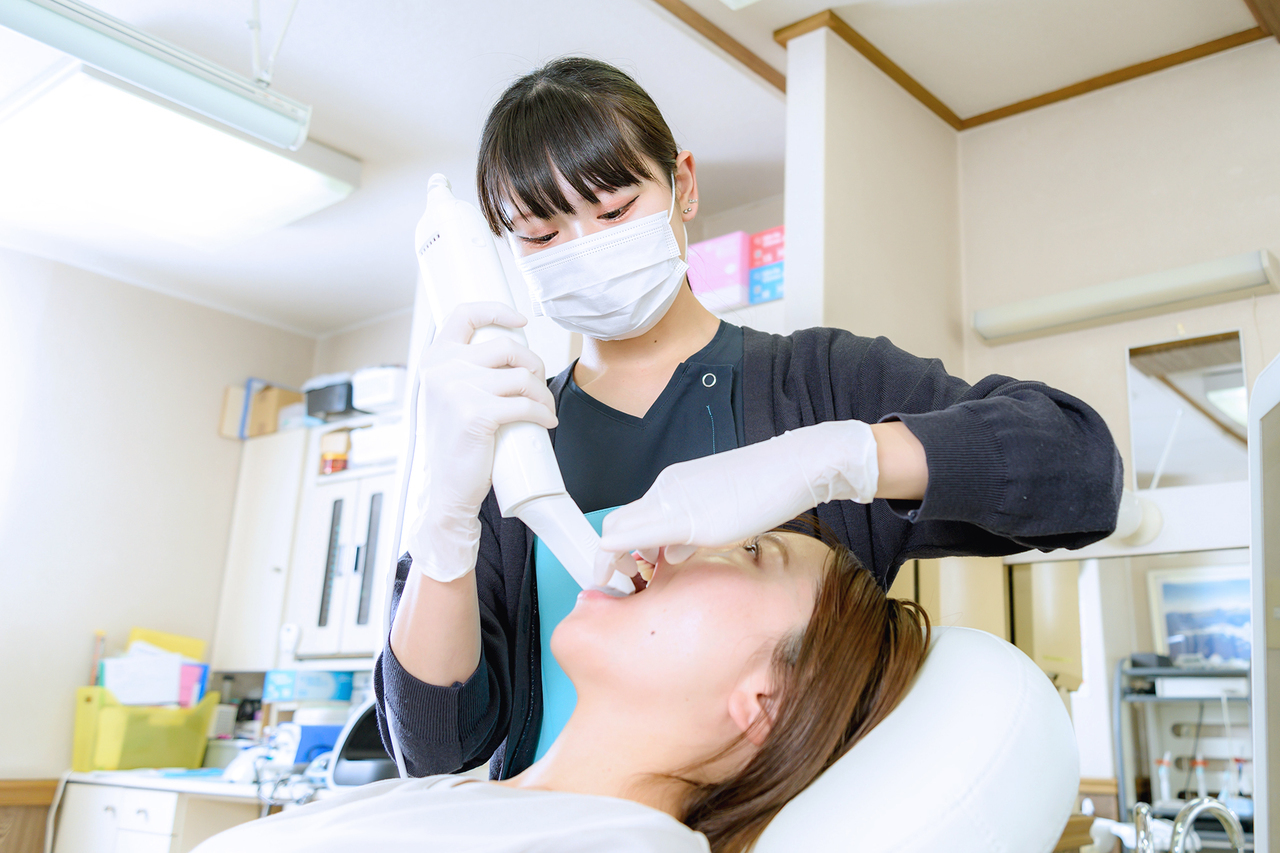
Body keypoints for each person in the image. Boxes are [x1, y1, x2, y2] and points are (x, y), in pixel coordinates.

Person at [379, 56, 1123, 780]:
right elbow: (437, 748)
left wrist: (841, 456)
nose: (587, 250)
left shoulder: (821, 381)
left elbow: (1082, 471)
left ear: (684, 185)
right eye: (541, 234)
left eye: (613, 210)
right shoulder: (508, 437)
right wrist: (442, 519)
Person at [196, 526, 930, 853]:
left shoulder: (625, 846)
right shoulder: (448, 797)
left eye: (748, 549)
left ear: (767, 700)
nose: (675, 543)